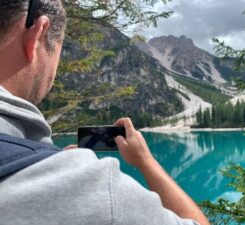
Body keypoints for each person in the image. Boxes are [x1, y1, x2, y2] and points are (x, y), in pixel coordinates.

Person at [0, 1, 210, 225]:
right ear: (38, 34)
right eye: (58, 52)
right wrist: (145, 161)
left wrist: (44, 156)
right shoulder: (95, 191)